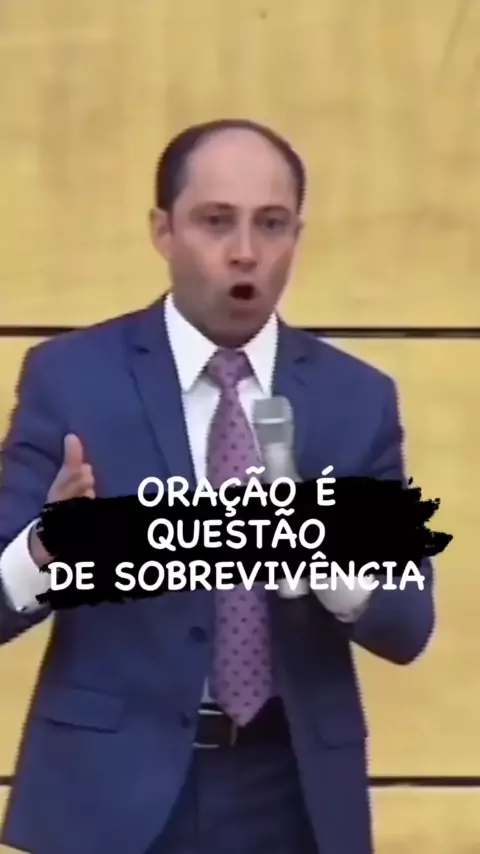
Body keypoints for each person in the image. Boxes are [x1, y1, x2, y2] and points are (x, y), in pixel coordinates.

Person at [0, 118, 435, 854]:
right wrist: (43, 553)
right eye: (215, 221)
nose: (245, 251)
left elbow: (408, 624)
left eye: (272, 224)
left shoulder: (355, 400)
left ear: (297, 236)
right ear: (162, 231)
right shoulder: (72, 378)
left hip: (290, 793)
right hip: (109, 793)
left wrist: (329, 563)